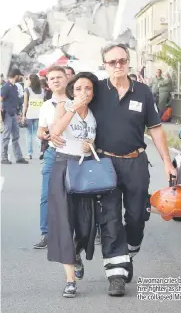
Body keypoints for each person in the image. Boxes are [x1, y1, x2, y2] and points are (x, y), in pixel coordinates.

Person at [51, 42, 177, 297]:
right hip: (105, 164)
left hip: (136, 162)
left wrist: (166, 160)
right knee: (109, 218)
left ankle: (129, 253)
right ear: (105, 65)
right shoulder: (97, 90)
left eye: (122, 61)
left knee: (136, 216)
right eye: (112, 62)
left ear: (128, 61)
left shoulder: (143, 92)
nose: (118, 66)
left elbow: (155, 129)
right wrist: (48, 131)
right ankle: (116, 274)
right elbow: (72, 107)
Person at [47, 72, 99, 297]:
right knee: (65, 223)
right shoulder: (64, 105)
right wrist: (71, 108)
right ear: (72, 90)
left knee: (87, 224)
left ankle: (77, 253)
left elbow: (93, 136)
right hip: (64, 166)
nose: (83, 93)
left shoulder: (95, 112)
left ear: (93, 92)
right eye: (78, 88)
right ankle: (70, 280)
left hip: (85, 168)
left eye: (87, 89)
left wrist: (91, 144)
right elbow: (56, 132)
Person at [33, 66, 68, 249]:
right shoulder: (46, 106)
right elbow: (41, 130)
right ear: (48, 83)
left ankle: (81, 232)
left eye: (59, 77)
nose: (55, 80)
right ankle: (46, 233)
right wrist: (42, 135)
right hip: (52, 154)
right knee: (46, 195)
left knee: (77, 194)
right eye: (52, 78)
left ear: (66, 79)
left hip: (74, 155)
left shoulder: (76, 102)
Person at [1, 69, 28, 164]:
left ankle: (18, 157)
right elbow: (0, 99)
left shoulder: (14, 87)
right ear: (15, 76)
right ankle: (4, 157)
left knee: (16, 136)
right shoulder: (6, 87)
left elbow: (16, 101)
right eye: (19, 76)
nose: (20, 77)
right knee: (6, 136)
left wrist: (18, 113)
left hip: (14, 114)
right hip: (7, 113)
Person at [22, 74, 44, 159]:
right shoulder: (42, 90)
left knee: (29, 134)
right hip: (39, 115)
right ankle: (41, 151)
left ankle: (29, 153)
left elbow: (25, 104)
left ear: (30, 80)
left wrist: (23, 115)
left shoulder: (27, 90)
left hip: (30, 115)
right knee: (37, 134)